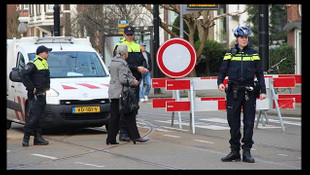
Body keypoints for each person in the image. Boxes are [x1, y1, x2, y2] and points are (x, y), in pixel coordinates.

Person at [217, 26, 267, 163]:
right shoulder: (230, 53)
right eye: (242, 37)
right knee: (233, 123)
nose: (244, 39)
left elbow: (260, 73)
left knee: (249, 123)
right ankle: (234, 151)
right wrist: (220, 82)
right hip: (233, 92)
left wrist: (263, 91)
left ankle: (247, 152)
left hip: (249, 92)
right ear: (237, 39)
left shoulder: (254, 53)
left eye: (246, 37)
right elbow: (222, 70)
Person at [113, 25, 149, 142]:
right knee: (126, 108)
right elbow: (121, 64)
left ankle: (130, 133)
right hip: (127, 82)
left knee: (133, 108)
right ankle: (124, 133)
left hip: (136, 81)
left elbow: (142, 61)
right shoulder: (119, 47)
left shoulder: (137, 46)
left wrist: (143, 68)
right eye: (128, 34)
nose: (130, 36)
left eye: (131, 34)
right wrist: (136, 68)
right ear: (124, 34)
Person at [107, 44, 147, 144]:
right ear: (125, 53)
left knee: (114, 116)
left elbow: (117, 76)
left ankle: (111, 139)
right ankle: (135, 136)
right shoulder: (122, 63)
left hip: (114, 92)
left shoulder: (113, 62)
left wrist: (130, 77)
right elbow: (123, 79)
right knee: (130, 112)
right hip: (122, 93)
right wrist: (134, 82)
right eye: (127, 52)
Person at [20, 45, 52, 147]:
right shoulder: (33, 63)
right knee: (33, 117)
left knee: (39, 117)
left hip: (42, 94)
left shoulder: (44, 63)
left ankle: (38, 138)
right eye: (47, 52)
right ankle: (26, 138)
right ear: (41, 53)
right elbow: (23, 74)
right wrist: (31, 87)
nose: (48, 54)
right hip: (36, 95)